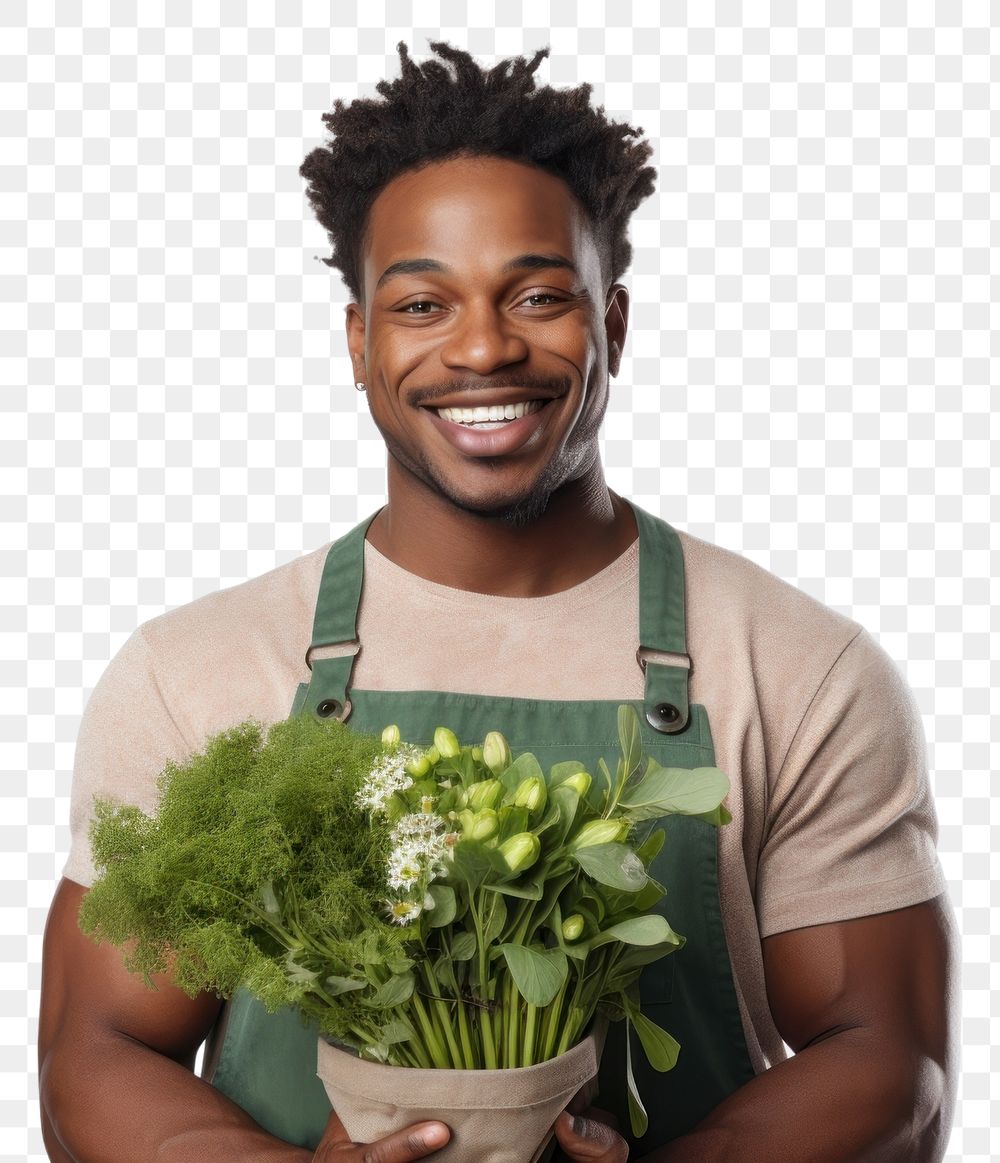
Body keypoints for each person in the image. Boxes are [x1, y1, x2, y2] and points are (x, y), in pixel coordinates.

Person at [39, 40, 957, 1162]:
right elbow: (94, 1052)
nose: (482, 345)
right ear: (360, 342)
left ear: (611, 326)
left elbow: (890, 1061)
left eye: (536, 294)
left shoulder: (795, 663)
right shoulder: (192, 671)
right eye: (422, 302)